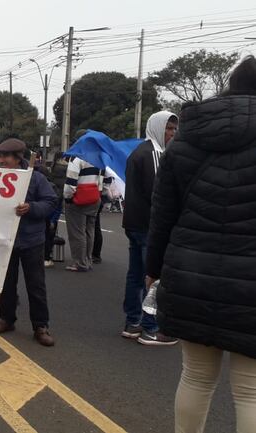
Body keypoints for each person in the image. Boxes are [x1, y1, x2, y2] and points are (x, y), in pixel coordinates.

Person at [146, 56, 256, 432]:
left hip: (189, 271)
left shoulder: (189, 136)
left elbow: (163, 212)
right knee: (251, 391)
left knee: (195, 376)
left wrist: (153, 269)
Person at [0, 138, 57, 347]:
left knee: (36, 285)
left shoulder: (35, 178)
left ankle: (41, 326)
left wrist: (31, 208)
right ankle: (6, 319)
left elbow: (51, 201)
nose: (1, 160)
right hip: (5, 239)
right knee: (6, 283)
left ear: (18, 158)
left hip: (32, 240)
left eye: (5, 156)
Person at [121, 110, 179, 346]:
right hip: (148, 226)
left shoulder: (138, 152)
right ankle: (151, 328)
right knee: (153, 277)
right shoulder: (154, 154)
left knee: (135, 275)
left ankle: (132, 323)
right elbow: (159, 195)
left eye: (175, 129)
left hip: (134, 223)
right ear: (157, 127)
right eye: (169, 128)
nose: (172, 133)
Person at [62, 132, 103, 272]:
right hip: (94, 198)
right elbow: (105, 180)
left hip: (78, 200)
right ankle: (88, 260)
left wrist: (67, 198)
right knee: (89, 231)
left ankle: (79, 263)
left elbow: (70, 183)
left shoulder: (77, 157)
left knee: (77, 232)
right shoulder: (99, 157)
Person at [44, 152, 67, 267]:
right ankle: (47, 257)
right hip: (60, 196)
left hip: (47, 205)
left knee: (43, 233)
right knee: (50, 232)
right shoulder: (66, 167)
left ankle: (44, 255)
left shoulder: (53, 167)